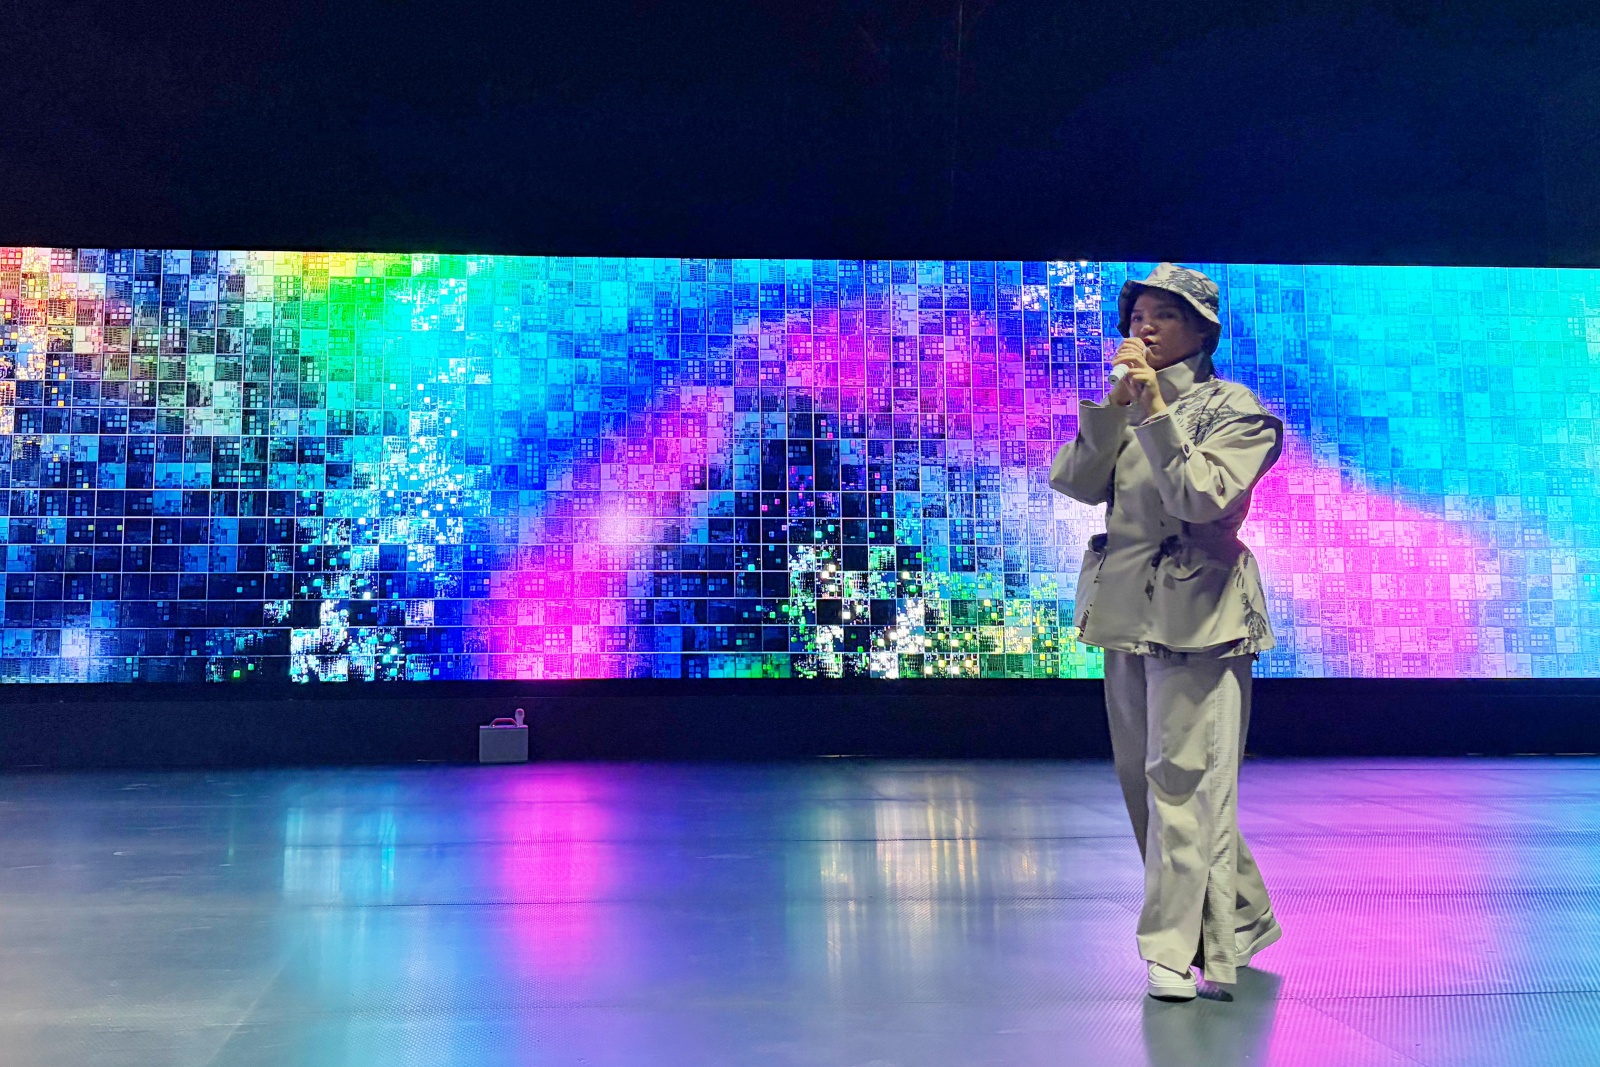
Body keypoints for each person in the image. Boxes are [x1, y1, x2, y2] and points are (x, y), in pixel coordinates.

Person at [1049, 263, 1285, 1001]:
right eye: (1136, 315)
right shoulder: (1129, 401)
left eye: (1163, 315)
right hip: (1124, 610)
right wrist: (1117, 407)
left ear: (1201, 331)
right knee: (1145, 782)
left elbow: (1200, 498)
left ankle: (1172, 949)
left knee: (1183, 781)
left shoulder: (1236, 410)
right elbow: (1075, 481)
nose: (1143, 328)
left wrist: (1154, 409)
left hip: (1201, 615)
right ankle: (1239, 917)